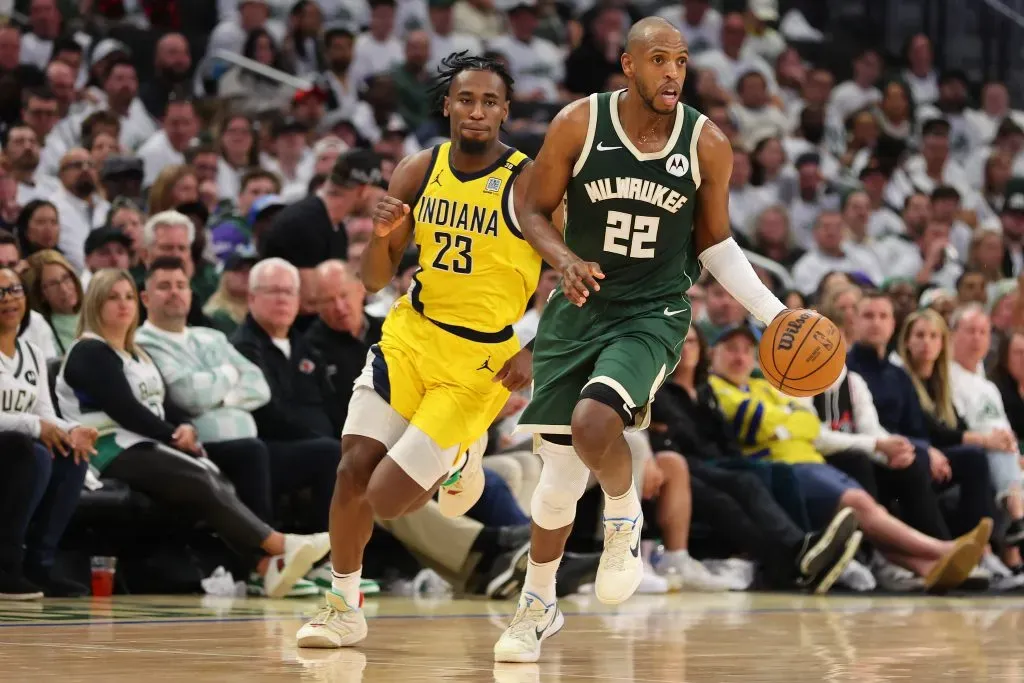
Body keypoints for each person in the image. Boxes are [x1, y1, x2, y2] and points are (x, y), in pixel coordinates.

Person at [494, 18, 794, 663]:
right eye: (658, 60)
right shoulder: (579, 122)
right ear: (627, 66)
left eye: (681, 62)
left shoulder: (707, 143)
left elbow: (714, 242)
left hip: (653, 312)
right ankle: (538, 605)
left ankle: (624, 515)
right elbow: (532, 209)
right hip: (577, 306)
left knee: (595, 419)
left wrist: (774, 314)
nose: (672, 74)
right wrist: (561, 260)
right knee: (556, 483)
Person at [296, 52, 541, 650]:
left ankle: (464, 453)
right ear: (447, 105)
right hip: (412, 333)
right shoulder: (417, 168)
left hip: (479, 361)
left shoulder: (531, 180)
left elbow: (580, 272)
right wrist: (384, 235)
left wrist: (540, 350)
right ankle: (343, 605)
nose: (477, 111)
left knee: (387, 498)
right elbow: (374, 278)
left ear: (505, 111)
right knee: (352, 469)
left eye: (489, 101)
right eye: (466, 99)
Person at [54, 269, 331, 599]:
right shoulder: (89, 351)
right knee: (198, 479)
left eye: (128, 296)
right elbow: (126, 410)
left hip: (140, 442)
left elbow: (160, 403)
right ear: (95, 305)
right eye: (112, 298)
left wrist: (184, 427)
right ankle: (279, 545)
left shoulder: (136, 354)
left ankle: (264, 566)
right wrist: (174, 435)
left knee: (208, 476)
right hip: (104, 446)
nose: (123, 305)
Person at [710, 324, 990, 594]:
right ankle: (942, 549)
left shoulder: (763, 387)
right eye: (732, 349)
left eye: (747, 350)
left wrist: (785, 425)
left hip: (812, 462)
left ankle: (927, 567)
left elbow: (808, 423)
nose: (740, 357)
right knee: (860, 506)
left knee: (870, 510)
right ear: (714, 354)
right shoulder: (716, 388)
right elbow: (765, 423)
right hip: (784, 468)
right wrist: (788, 422)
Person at [0, 266, 98, 598]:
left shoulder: (32, 353)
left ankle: (38, 566)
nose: (8, 300)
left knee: (70, 455)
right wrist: (33, 426)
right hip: (13, 447)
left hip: (18, 448)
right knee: (30, 450)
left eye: (14, 290)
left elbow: (43, 411)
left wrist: (73, 429)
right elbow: (33, 422)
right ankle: (5, 565)